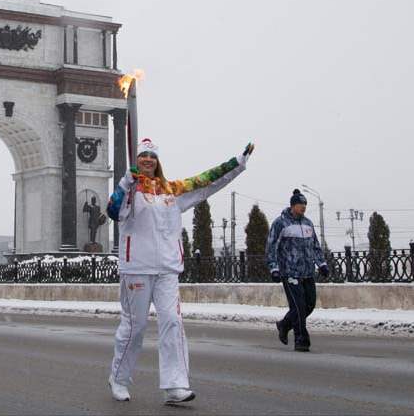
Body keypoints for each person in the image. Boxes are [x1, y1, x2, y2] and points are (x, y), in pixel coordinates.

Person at [106, 138, 254, 405]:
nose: (148, 159)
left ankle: (176, 385)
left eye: (152, 155)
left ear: (157, 161)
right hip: (136, 269)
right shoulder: (129, 190)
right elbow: (114, 211)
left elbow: (207, 183)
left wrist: (237, 164)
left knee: (172, 323)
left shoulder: (172, 191)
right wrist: (126, 182)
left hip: (167, 269)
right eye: (143, 156)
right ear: (137, 160)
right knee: (135, 327)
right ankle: (118, 378)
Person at [266, 189, 329, 352]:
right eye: (300, 204)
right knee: (299, 307)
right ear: (292, 205)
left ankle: (284, 324)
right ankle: (301, 340)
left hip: (307, 272)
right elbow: (271, 246)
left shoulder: (308, 223)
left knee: (309, 305)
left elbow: (315, 245)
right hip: (290, 272)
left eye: (305, 204)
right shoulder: (281, 223)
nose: (303, 207)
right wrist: (274, 268)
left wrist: (321, 264)